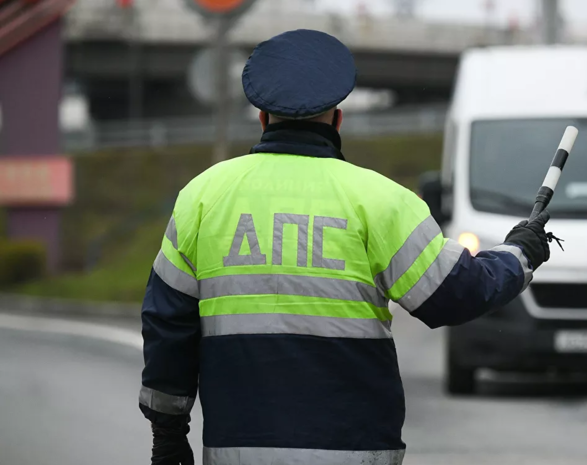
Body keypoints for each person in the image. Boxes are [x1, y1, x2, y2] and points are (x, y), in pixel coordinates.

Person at [139, 29, 556, 465]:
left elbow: (167, 324)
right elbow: (455, 293)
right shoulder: (381, 201)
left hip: (236, 451)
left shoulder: (202, 198)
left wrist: (167, 434)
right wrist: (520, 252)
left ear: (262, 118)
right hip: (354, 452)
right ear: (338, 120)